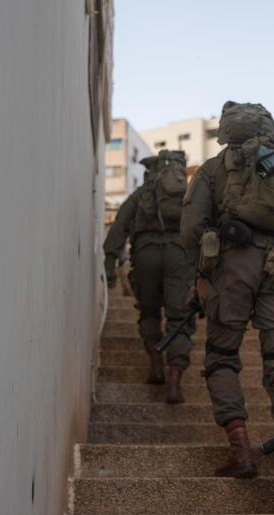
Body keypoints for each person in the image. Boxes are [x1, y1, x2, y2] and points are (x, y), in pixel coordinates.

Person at [180, 101, 274, 513]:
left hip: (233, 269)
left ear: (227, 132)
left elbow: (191, 229)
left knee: (222, 357)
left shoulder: (213, 169)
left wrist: (202, 271)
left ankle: (242, 450)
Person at [104, 149, 193, 404]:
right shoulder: (188, 193)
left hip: (145, 254)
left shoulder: (143, 193)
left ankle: (155, 364)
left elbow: (120, 225)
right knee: (179, 317)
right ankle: (174, 381)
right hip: (179, 254)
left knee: (150, 312)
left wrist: (110, 263)